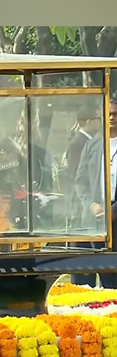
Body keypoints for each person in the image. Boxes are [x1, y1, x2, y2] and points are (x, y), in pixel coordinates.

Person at [74, 99, 117, 289]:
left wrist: (113, 210)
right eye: (108, 114)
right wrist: (90, 205)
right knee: (85, 284)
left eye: (115, 114)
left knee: (112, 283)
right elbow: (79, 180)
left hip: (115, 221)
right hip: (93, 223)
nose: (111, 118)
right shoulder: (93, 144)